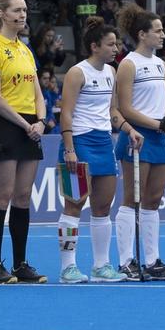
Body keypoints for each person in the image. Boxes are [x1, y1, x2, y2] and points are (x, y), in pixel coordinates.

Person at [0, 0, 46, 283]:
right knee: (2, 195)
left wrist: (40, 121)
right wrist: (23, 124)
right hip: (6, 124)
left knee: (22, 197)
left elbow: (37, 92)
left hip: (30, 125)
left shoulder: (25, 49)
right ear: (2, 14)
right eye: (17, 10)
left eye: (25, 11)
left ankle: (21, 263)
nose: (22, 15)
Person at [55, 16, 123, 283]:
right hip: (80, 142)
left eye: (116, 44)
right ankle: (68, 267)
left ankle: (101, 265)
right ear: (95, 46)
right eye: (111, 44)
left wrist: (128, 129)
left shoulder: (111, 72)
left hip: (104, 142)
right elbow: (66, 113)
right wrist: (69, 149)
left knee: (103, 206)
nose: (116, 49)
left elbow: (112, 110)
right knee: (74, 204)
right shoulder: (77, 72)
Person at [113, 6, 165, 279]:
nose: (163, 35)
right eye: (158, 31)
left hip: (160, 137)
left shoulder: (161, 64)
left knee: (153, 199)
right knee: (131, 199)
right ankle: (126, 261)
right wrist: (157, 124)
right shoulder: (128, 64)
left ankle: (152, 260)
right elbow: (125, 108)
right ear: (142, 34)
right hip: (137, 136)